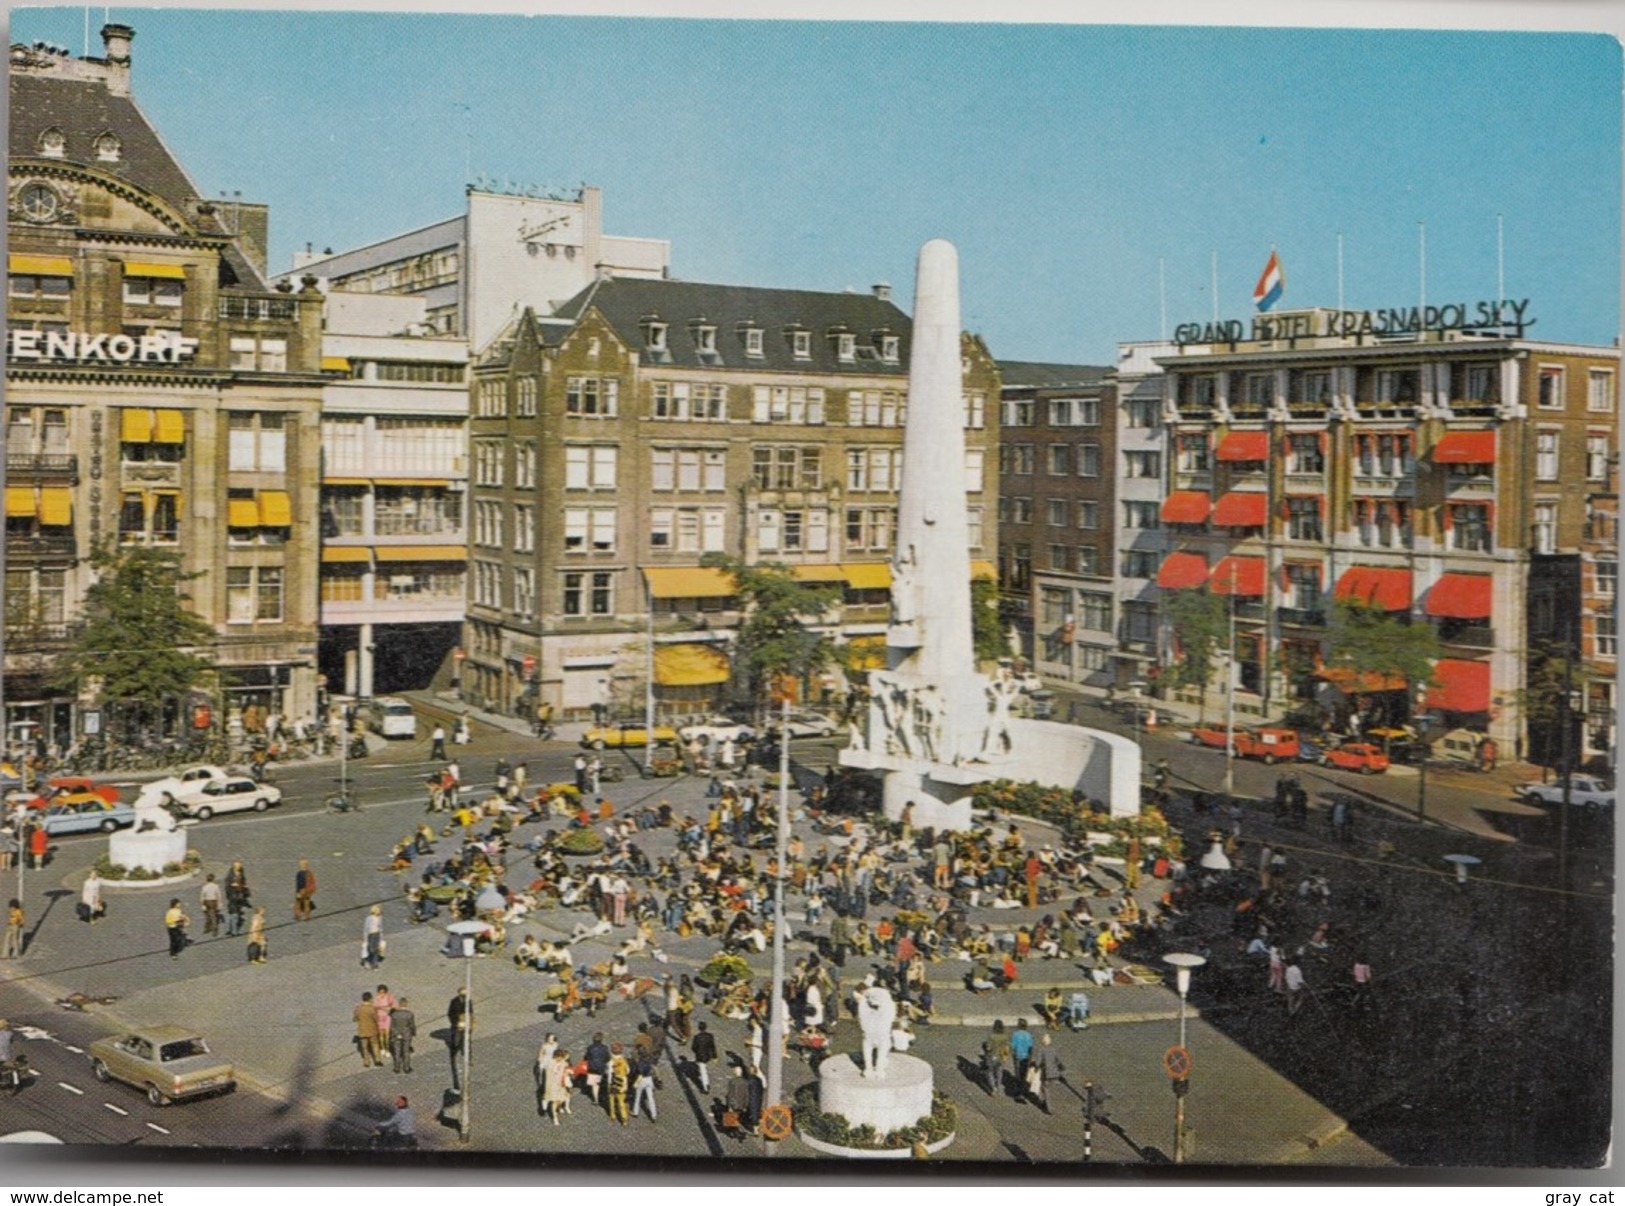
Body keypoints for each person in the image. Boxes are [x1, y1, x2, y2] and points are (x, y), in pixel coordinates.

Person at [447, 987, 471, 1092]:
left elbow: (471, 1012)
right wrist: (455, 1022)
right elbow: (450, 1013)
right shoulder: (454, 1002)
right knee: (456, 1041)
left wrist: (470, 1023)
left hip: (466, 1025)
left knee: (467, 1042)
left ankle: (468, 1056)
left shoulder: (468, 1001)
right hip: (456, 1025)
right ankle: (454, 1054)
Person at [1033, 1032, 1064, 1112]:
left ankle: (1048, 1107)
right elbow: (1058, 1060)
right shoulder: (1054, 1049)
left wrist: (1035, 1069)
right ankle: (1046, 1102)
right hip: (1054, 1073)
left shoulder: (1041, 1050)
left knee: (1045, 1089)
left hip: (1046, 1073)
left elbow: (1038, 1062)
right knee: (1049, 1088)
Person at [543, 1048, 574, 1125]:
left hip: (560, 1085)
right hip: (552, 1085)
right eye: (560, 1057)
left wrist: (568, 1072)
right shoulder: (550, 1063)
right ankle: (555, 1118)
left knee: (560, 1100)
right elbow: (551, 1074)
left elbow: (566, 1070)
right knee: (555, 1101)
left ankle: (559, 1108)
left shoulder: (563, 1063)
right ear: (556, 1056)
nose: (561, 1059)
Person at [982, 1019, 1011, 1096]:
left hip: (992, 1056)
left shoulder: (991, 1036)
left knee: (990, 1072)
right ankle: (998, 1086)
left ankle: (993, 1087)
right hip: (1001, 1057)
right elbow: (1007, 1047)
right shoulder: (1005, 1036)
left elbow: (988, 1048)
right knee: (999, 1072)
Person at [389, 995, 416, 1073]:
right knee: (406, 1051)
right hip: (406, 1034)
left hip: (396, 1033)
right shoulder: (409, 1014)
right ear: (406, 1004)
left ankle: (397, 1068)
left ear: (399, 1004)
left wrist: (393, 1033)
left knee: (397, 1051)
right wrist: (414, 1032)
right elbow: (412, 1025)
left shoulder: (394, 1014)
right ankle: (406, 1067)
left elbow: (391, 1026)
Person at [354, 991, 381, 1067]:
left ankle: (366, 1061)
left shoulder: (358, 1008)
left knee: (364, 1047)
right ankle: (377, 1060)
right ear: (370, 999)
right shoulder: (372, 1009)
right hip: (372, 1029)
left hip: (362, 1030)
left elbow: (355, 1019)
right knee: (375, 1044)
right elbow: (376, 1019)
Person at [606, 1042, 631, 1125]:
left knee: (611, 1099)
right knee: (621, 1101)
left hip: (612, 1083)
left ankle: (613, 1114)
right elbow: (628, 1071)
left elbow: (609, 1074)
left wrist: (609, 1083)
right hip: (621, 1083)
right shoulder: (624, 1061)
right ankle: (624, 1119)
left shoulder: (610, 1062)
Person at [690, 1020, 718, 1093]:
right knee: (703, 1069)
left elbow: (693, 1047)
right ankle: (706, 1084)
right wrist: (715, 1056)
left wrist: (696, 1052)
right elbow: (713, 1047)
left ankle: (706, 1086)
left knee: (703, 1071)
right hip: (707, 1055)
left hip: (700, 1056)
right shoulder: (710, 1036)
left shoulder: (697, 1037)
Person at [630, 1048, 658, 1121]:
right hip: (649, 1079)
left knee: (638, 1096)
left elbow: (639, 1073)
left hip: (641, 1080)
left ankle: (635, 1112)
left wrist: (635, 1083)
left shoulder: (640, 1063)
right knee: (650, 1098)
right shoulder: (649, 1061)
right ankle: (654, 1114)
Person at [225, 862, 250, 936]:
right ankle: (234, 931)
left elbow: (243, 882)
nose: (239, 868)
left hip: (239, 896)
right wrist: (232, 885)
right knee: (234, 914)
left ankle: (232, 929)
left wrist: (245, 887)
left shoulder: (241, 874)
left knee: (235, 913)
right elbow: (227, 885)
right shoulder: (230, 876)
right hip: (233, 896)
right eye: (237, 867)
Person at [1009, 1018, 1035, 1084]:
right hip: (1026, 1057)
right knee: (1025, 1071)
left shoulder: (1015, 1034)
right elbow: (1030, 1047)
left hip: (1017, 1056)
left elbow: (1013, 1046)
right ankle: (1024, 1083)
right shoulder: (1028, 1035)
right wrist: (1030, 1057)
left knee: (1017, 1072)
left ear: (1019, 1025)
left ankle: (1018, 1084)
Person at [362, 905, 385, 969]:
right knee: (371, 950)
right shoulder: (369, 918)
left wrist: (381, 938)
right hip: (371, 935)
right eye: (377, 910)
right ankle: (370, 962)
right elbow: (366, 929)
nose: (378, 911)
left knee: (375, 950)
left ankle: (374, 964)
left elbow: (380, 928)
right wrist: (365, 939)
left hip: (376, 934)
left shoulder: (379, 918)